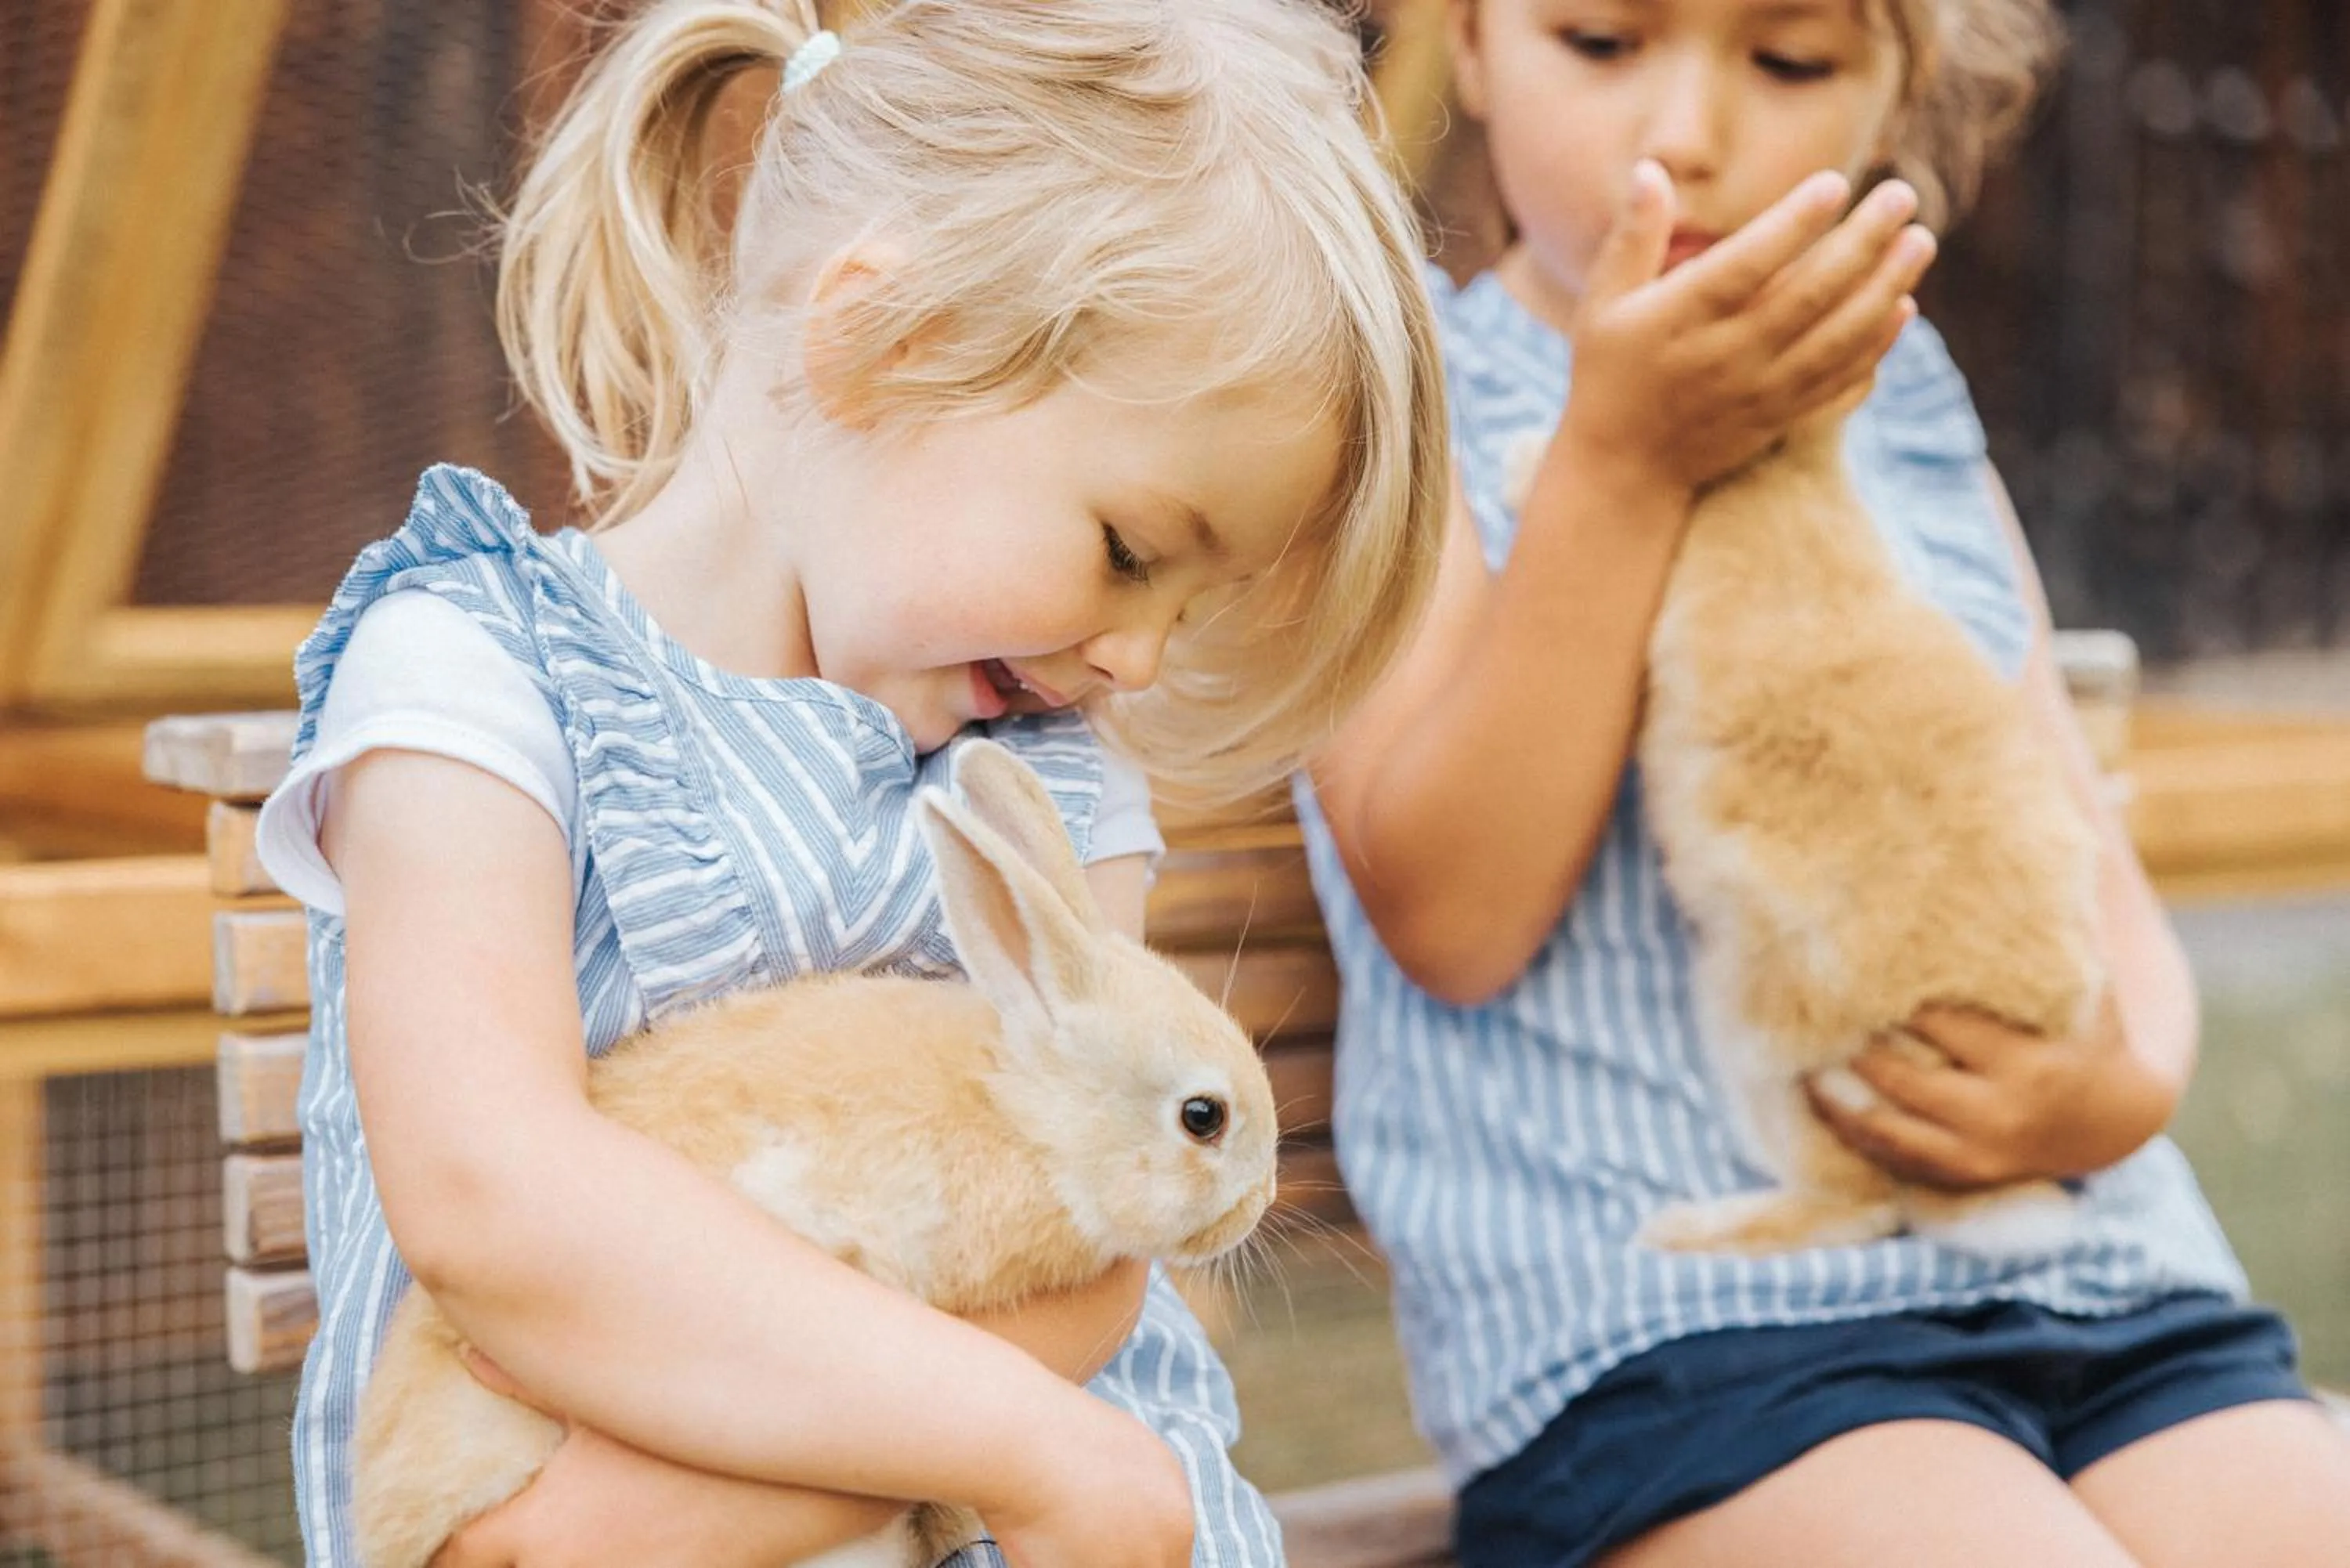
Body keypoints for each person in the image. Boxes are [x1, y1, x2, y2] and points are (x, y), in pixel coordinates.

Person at [251, 2, 1447, 1563]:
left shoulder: (1049, 785)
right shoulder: (476, 681)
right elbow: (495, 1202)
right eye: (1129, 551)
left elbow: (1098, 1257)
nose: (1140, 658)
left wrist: (1032, 1465)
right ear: (889, 341)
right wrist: (1011, 1451)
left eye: (1191, 604)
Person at [1298, 2, 2350, 1563]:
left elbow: (2080, 858)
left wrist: (2119, 1089)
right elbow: (1452, 911)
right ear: (1472, 37)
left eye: (1789, 64)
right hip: (1686, 1343)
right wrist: (1620, 464)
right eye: (1602, 41)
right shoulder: (1401, 413)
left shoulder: (1908, 403)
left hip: (2093, 1274)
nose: (1686, 133)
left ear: (1893, 98)